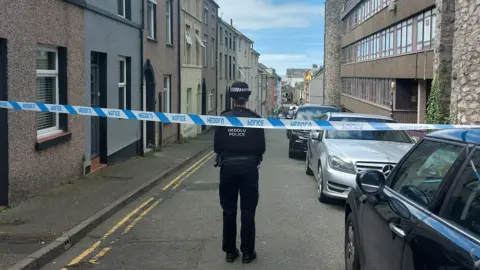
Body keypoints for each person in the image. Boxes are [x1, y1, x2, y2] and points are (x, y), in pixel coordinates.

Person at [213, 81, 266, 264]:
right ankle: (247, 253)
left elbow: (217, 146)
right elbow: (261, 148)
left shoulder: (223, 117)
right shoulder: (255, 118)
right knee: (248, 211)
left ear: (232, 97)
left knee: (228, 210)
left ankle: (229, 252)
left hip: (228, 168)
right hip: (249, 169)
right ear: (247, 97)